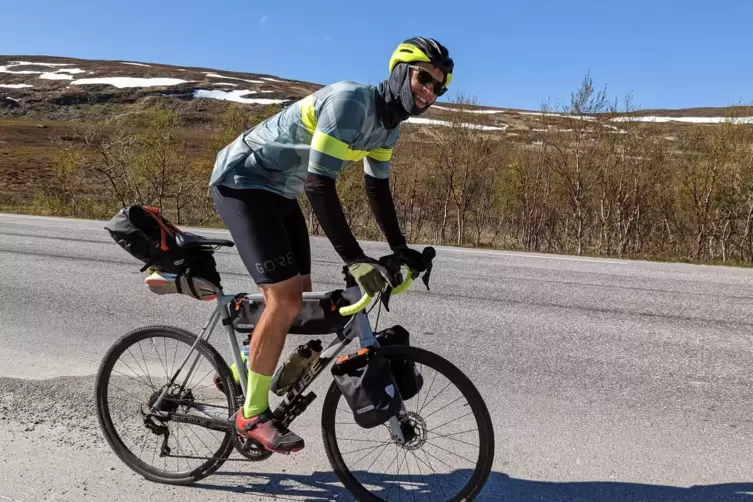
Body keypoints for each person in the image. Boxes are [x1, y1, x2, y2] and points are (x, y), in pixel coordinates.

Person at [208, 36, 454, 454]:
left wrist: (400, 249)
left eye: (439, 86)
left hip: (280, 193)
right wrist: (354, 258)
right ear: (399, 72)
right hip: (243, 181)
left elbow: (377, 191)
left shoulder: (387, 128)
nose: (429, 91)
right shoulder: (350, 102)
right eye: (424, 78)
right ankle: (251, 415)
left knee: (298, 300)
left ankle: (237, 372)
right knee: (284, 302)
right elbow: (319, 184)